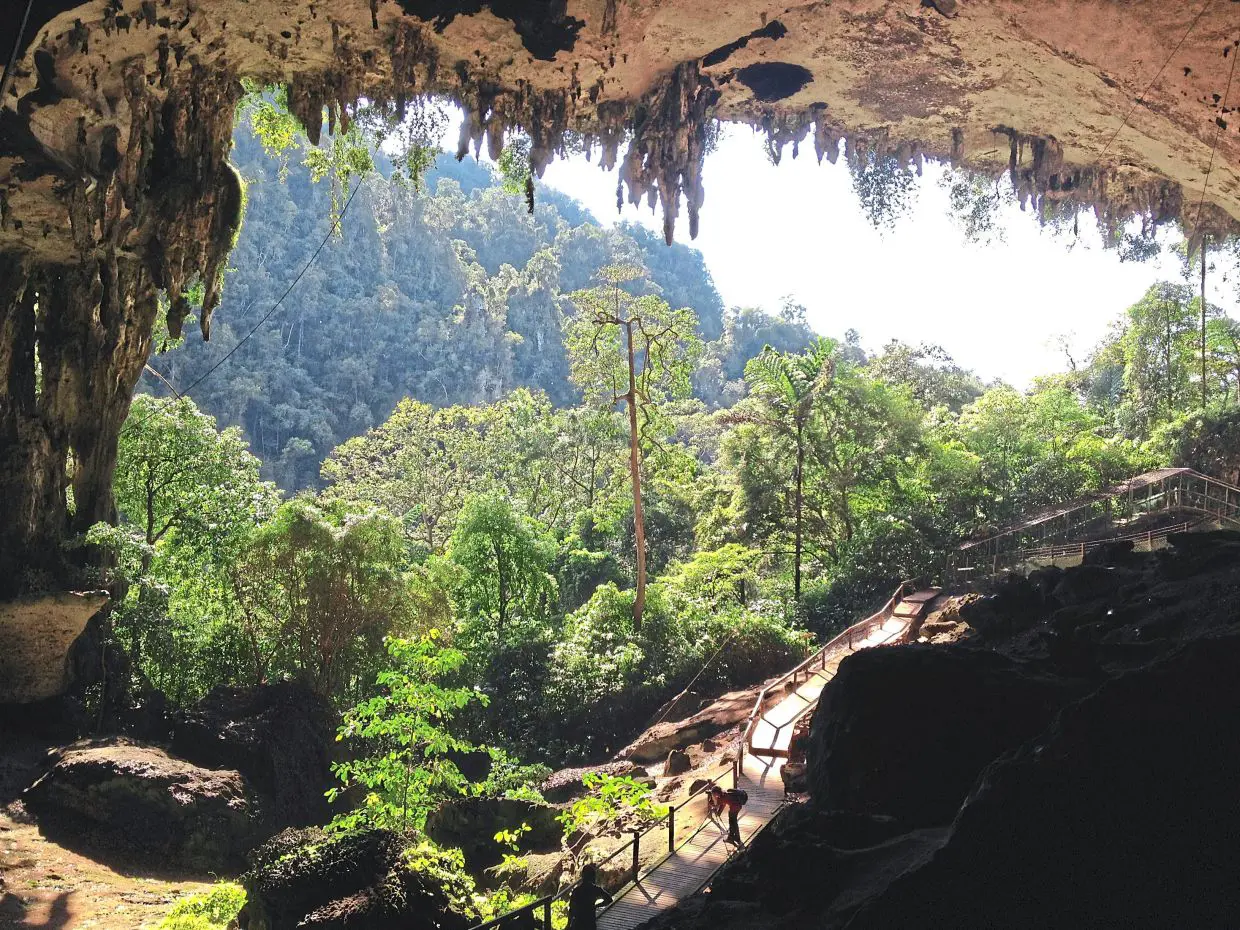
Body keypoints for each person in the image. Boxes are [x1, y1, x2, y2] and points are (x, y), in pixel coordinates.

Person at [567, 863, 613, 930]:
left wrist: (568, 924)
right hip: (590, 921)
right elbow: (609, 899)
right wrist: (596, 906)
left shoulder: (576, 891)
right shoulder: (595, 889)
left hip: (578, 922)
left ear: (582, 876)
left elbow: (571, 909)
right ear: (593, 877)